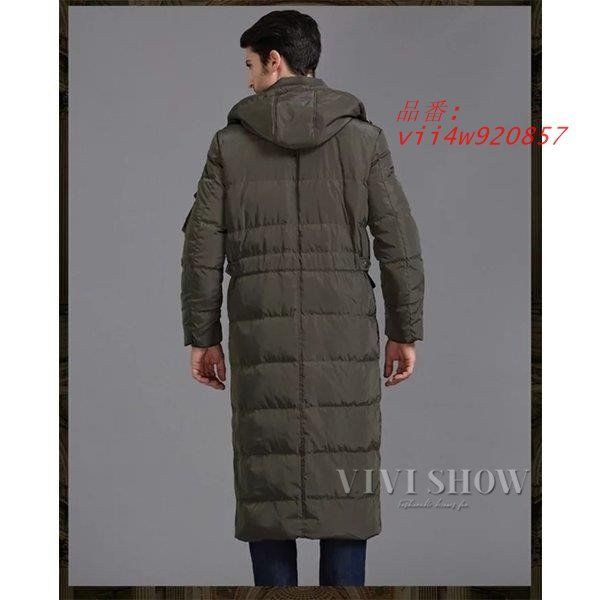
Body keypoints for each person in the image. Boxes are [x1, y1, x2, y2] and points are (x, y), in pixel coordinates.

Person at [180, 9, 425, 587]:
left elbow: (200, 251)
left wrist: (203, 338)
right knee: (345, 490)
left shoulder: (229, 145)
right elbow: (400, 245)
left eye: (249, 65)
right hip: (346, 337)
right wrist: (404, 331)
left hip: (259, 335)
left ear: (275, 60)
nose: (247, 81)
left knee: (268, 493)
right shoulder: (364, 140)